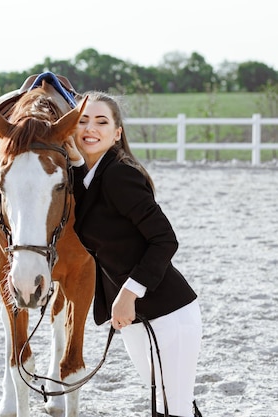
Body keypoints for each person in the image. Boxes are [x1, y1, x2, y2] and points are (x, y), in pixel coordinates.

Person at [66, 91, 203, 417]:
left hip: (167, 312)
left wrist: (130, 292)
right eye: (83, 121)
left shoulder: (119, 174)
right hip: (133, 319)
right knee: (165, 406)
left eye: (102, 121)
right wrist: (73, 161)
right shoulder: (93, 176)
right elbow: (86, 202)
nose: (90, 128)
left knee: (175, 409)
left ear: (117, 133)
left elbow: (165, 240)